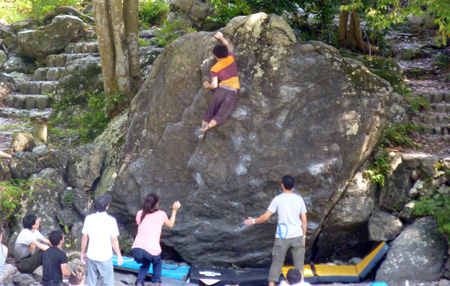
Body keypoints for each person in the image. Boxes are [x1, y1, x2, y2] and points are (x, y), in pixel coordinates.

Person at [244, 175, 307, 286]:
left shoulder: (278, 199)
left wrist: (253, 221)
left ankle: (272, 284)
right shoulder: (299, 199)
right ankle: (300, 283)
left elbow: (265, 217)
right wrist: (304, 236)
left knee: (277, 263)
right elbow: (304, 220)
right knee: (299, 264)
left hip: (282, 236)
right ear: (293, 186)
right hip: (297, 235)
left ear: (282, 185)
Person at [196, 31, 240, 140]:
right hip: (232, 91)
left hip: (220, 91)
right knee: (222, 113)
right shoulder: (231, 58)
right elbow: (228, 46)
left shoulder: (214, 68)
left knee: (210, 111)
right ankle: (209, 126)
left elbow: (214, 85)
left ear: (215, 56)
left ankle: (202, 133)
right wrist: (221, 37)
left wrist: (207, 85)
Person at [131, 194, 181, 286]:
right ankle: (156, 281)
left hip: (137, 249)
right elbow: (170, 224)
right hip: (151, 249)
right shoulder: (161, 214)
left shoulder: (140, 213)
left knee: (145, 263)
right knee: (157, 263)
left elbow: (140, 225)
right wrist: (174, 210)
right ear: (156, 204)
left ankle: (139, 281)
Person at [81, 194, 123, 286]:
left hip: (91, 255)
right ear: (107, 207)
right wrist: (119, 255)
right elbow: (114, 240)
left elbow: (84, 237)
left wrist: (83, 253)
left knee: (92, 282)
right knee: (107, 282)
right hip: (105, 256)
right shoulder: (111, 220)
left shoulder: (88, 218)